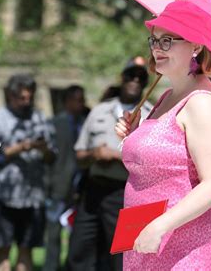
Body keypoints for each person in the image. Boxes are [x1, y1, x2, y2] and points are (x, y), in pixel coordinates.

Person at [115, 0, 211, 269]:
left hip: (185, 249)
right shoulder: (168, 96)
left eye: (168, 40)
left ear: (196, 46)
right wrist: (134, 134)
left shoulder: (203, 103)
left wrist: (160, 226)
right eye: (155, 40)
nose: (157, 48)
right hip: (145, 240)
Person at [66, 64, 152, 271]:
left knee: (121, 256)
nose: (135, 81)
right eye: (131, 76)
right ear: (121, 78)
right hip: (93, 189)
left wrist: (114, 155)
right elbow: (79, 154)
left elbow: (150, 161)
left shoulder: (151, 114)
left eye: (141, 78)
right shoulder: (99, 110)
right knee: (79, 249)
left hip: (125, 193)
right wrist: (94, 154)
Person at [0, 74, 56, 271]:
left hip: (33, 196)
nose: (26, 102)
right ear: (11, 95)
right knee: (2, 249)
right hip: (3, 195)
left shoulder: (40, 119)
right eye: (21, 98)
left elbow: (52, 158)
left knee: (26, 249)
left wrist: (43, 149)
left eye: (29, 98)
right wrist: (21, 147)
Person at [43, 85, 89, 271]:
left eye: (82, 100)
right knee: (53, 235)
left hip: (79, 187)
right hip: (58, 186)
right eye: (77, 100)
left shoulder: (85, 122)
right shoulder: (55, 123)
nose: (81, 104)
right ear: (67, 101)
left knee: (76, 235)